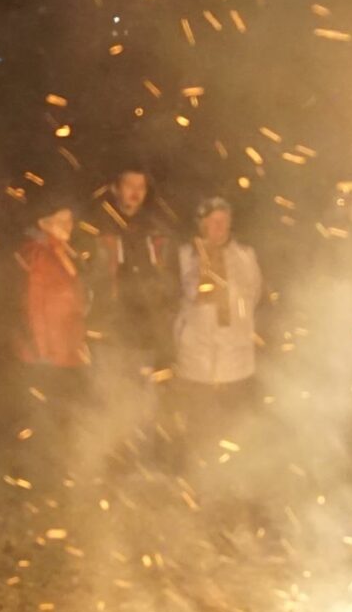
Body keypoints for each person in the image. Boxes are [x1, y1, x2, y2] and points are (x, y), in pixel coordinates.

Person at [173, 195, 263, 453]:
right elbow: (182, 295)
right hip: (197, 361)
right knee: (199, 430)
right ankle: (198, 484)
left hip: (236, 362)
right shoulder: (185, 256)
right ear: (201, 224)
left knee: (235, 431)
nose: (219, 227)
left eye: (224, 221)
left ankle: (231, 483)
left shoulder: (245, 255)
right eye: (213, 222)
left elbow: (254, 295)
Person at [17, 200, 91, 465]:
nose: (67, 226)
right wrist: (42, 351)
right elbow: (33, 306)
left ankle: (60, 471)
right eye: (60, 220)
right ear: (43, 222)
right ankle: (41, 473)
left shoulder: (64, 252)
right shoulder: (38, 254)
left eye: (69, 220)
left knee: (63, 416)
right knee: (45, 418)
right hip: (47, 354)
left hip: (67, 351)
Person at [90, 166, 175, 380]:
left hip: (147, 333)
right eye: (129, 185)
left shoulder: (158, 231)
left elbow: (172, 280)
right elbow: (86, 280)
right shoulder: (97, 229)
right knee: (108, 400)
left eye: (141, 187)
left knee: (144, 401)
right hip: (109, 332)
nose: (136, 192)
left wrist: (165, 314)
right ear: (116, 188)